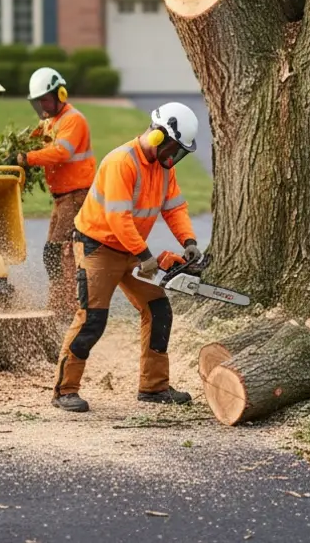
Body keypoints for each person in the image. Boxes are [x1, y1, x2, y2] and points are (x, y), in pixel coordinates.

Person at [51, 102, 203, 413]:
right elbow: (118, 218)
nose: (175, 156)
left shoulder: (164, 169)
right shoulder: (122, 161)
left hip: (132, 249)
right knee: (92, 318)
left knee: (159, 309)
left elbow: (174, 208)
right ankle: (65, 390)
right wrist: (145, 256)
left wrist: (188, 241)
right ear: (160, 137)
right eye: (174, 148)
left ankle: (154, 386)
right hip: (99, 247)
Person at [16, 67, 95, 317]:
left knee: (62, 251)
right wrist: (17, 150)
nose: (41, 106)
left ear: (61, 94)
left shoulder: (74, 120)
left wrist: (25, 158)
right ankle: (60, 303)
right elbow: (33, 141)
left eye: (45, 100)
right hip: (62, 199)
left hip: (76, 196)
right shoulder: (49, 121)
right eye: (37, 102)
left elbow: (62, 152)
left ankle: (68, 307)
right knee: (53, 252)